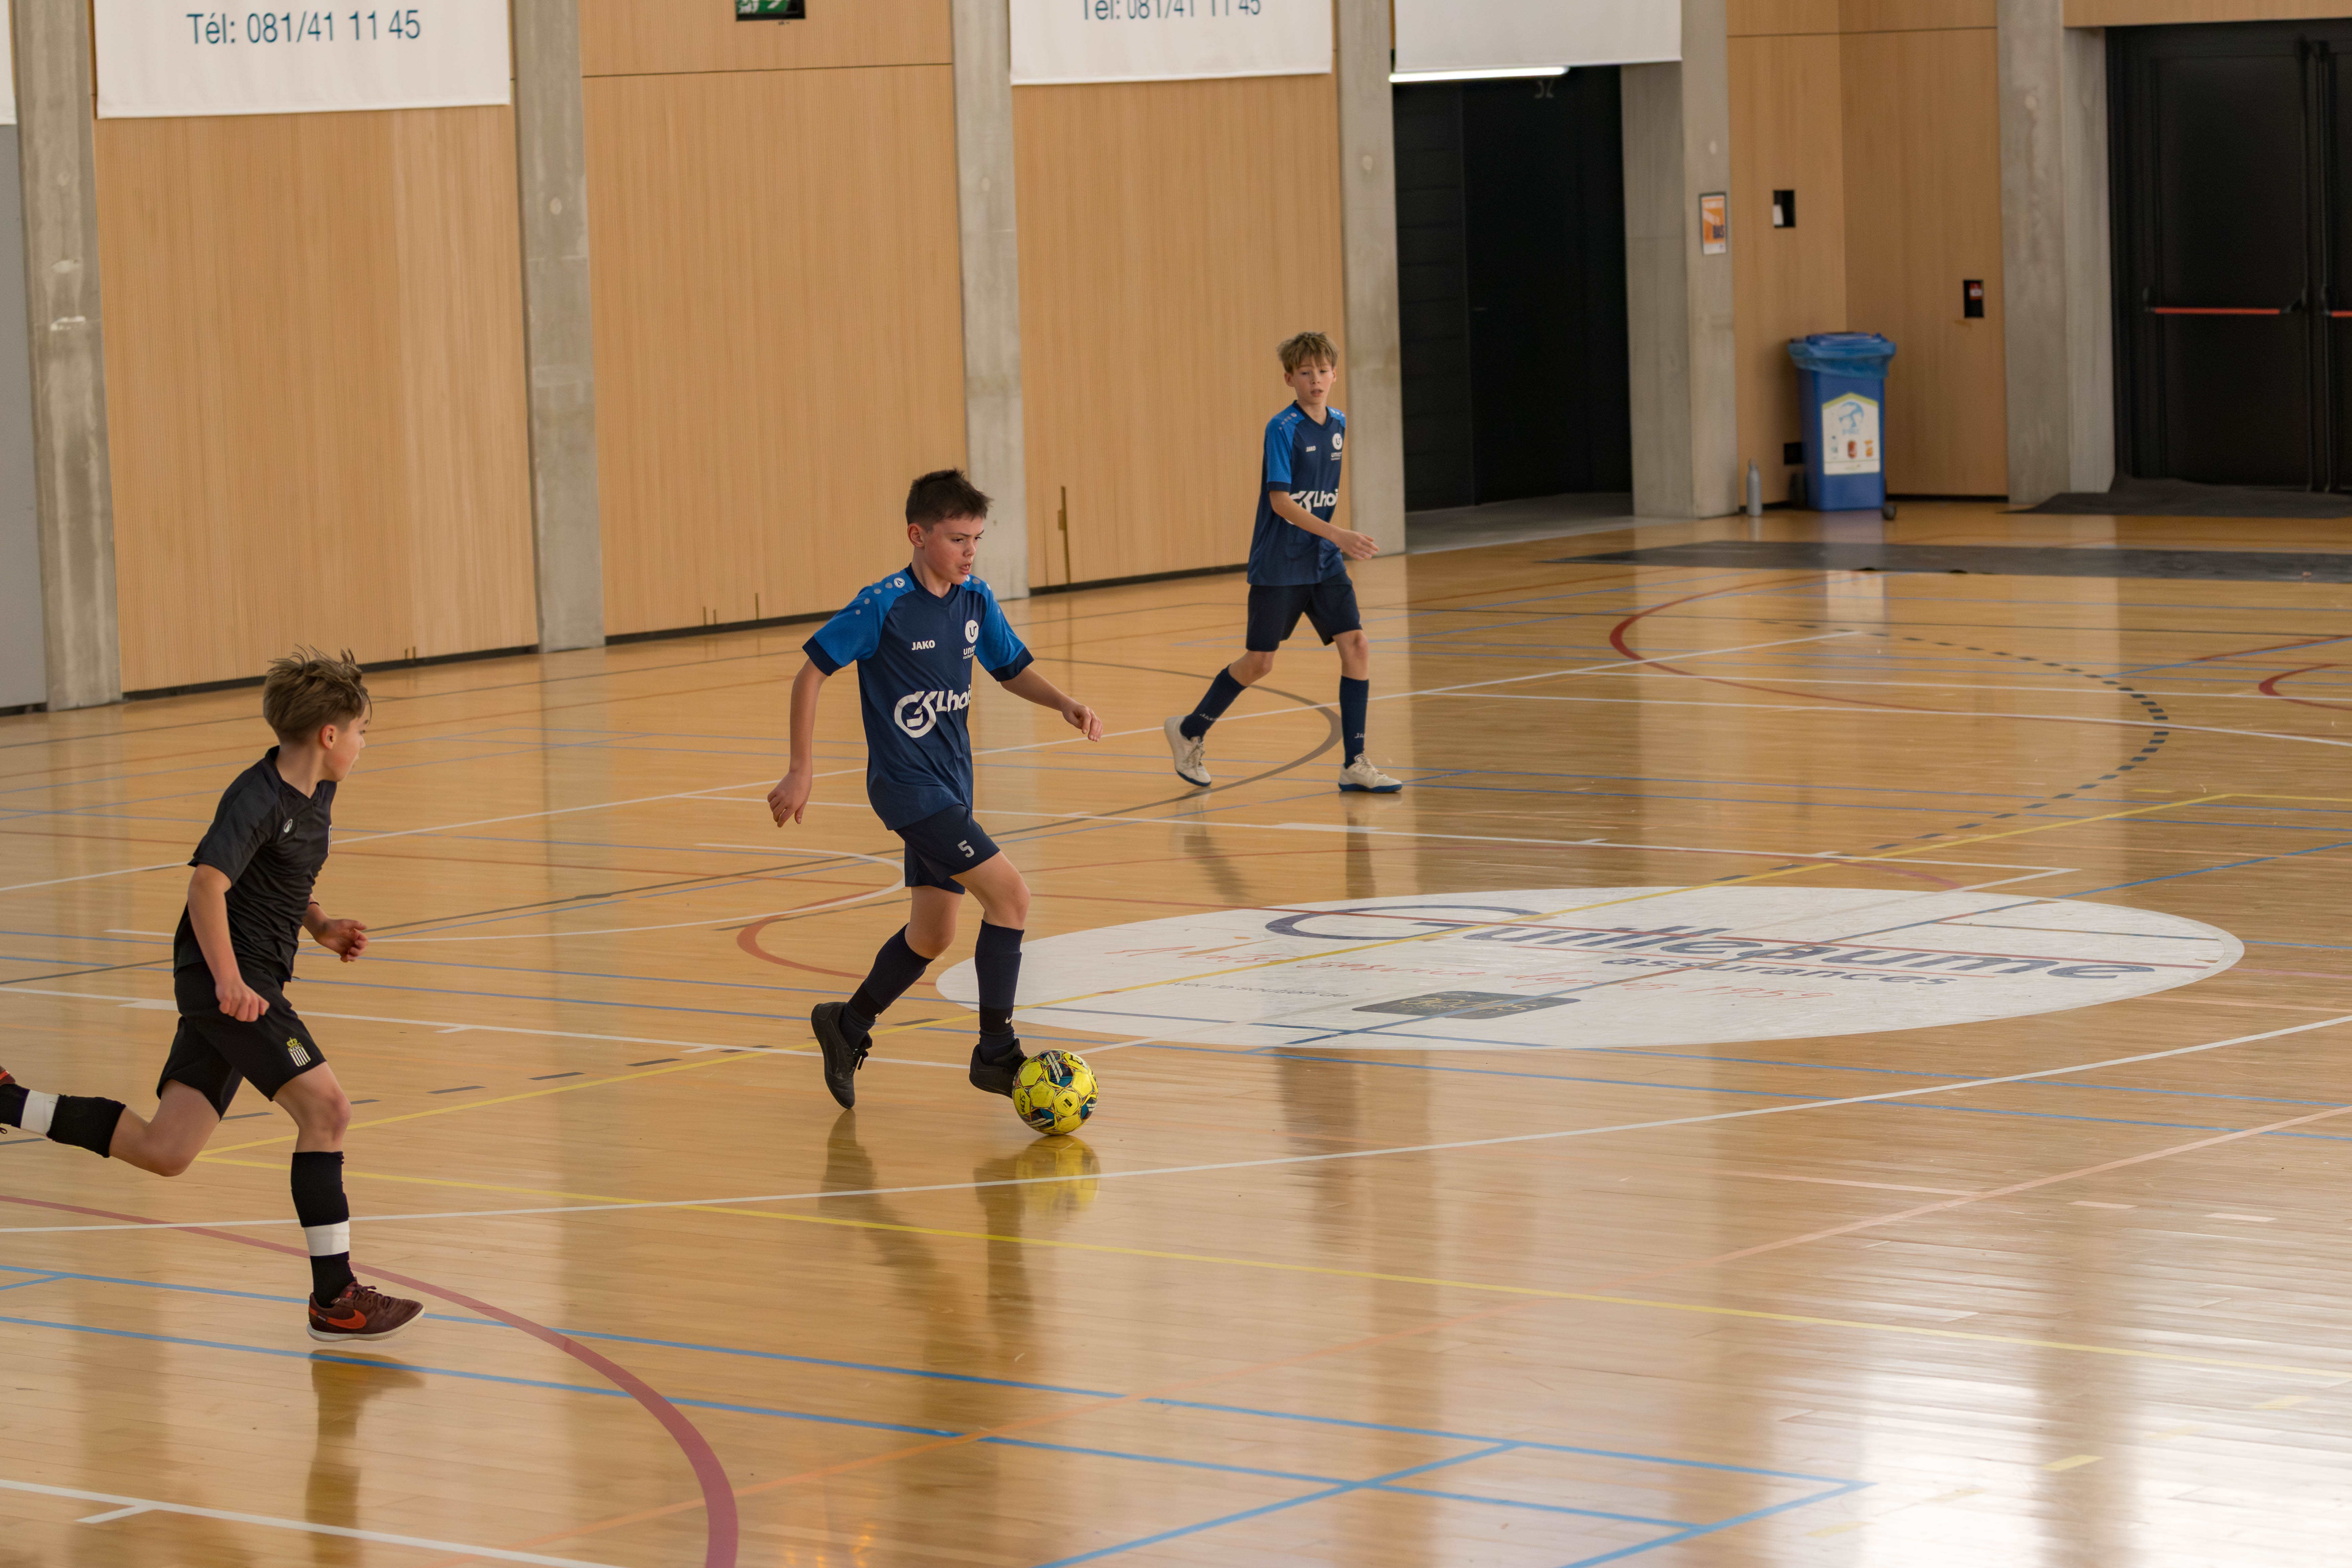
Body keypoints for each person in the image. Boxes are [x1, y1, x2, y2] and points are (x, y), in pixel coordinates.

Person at [0, 649, 421, 1344]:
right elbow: (207, 885)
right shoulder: (256, 796)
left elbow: (279, 875)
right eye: (362, 731)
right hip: (234, 983)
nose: (364, 744)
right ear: (329, 735)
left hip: (246, 983)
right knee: (328, 1110)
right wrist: (228, 980)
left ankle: (5, 1102)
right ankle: (335, 1297)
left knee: (165, 1149)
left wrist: (320, 925)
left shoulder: (316, 793)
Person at [768, 469, 1104, 1108]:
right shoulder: (884, 605)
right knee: (1011, 898)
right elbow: (810, 675)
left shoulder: (975, 600)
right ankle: (995, 1054)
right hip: (908, 789)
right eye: (957, 540)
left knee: (931, 935)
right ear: (918, 536)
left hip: (952, 786)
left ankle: (846, 1025)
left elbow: (1010, 668)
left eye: (977, 539)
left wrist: (1063, 702)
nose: (970, 552)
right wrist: (801, 769)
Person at [1164, 330, 1402, 794]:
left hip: (1323, 560)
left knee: (1357, 645)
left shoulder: (1339, 423)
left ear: (1335, 374)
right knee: (1260, 663)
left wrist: (1331, 542)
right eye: (1306, 373)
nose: (1316, 380)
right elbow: (1281, 502)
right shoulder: (1282, 428)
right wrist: (1339, 534)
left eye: (1323, 371)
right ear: (1289, 379)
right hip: (1280, 562)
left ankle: (1355, 763)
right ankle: (1190, 729)